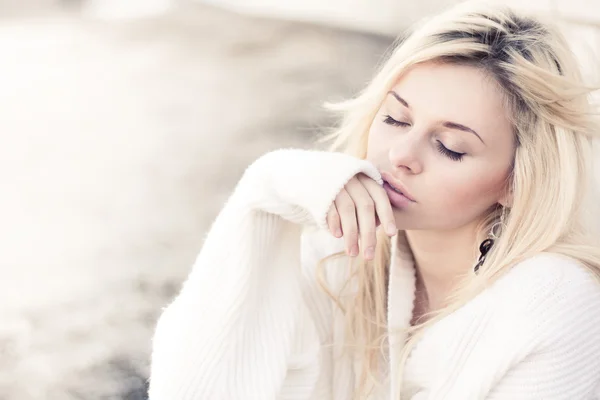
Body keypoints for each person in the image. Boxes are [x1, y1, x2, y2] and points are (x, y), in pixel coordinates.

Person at [147, 1, 600, 399]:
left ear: (517, 180)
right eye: (396, 118)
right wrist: (264, 193)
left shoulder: (554, 303)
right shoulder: (338, 251)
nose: (400, 155)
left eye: (450, 147)